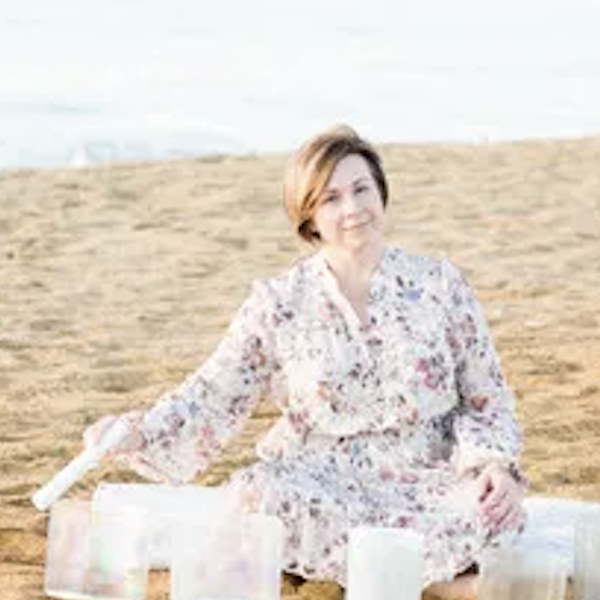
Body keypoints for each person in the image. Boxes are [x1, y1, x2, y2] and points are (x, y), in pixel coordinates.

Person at [84, 125, 526, 599]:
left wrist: (494, 466)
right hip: (320, 476)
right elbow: (213, 391)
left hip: (425, 475)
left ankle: (411, 578)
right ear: (309, 216)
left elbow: (486, 397)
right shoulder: (278, 302)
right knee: (255, 497)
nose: (353, 209)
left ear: (381, 193)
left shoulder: (440, 284)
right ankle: (435, 585)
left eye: (362, 189)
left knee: (490, 511)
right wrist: (137, 430)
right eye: (332, 198)